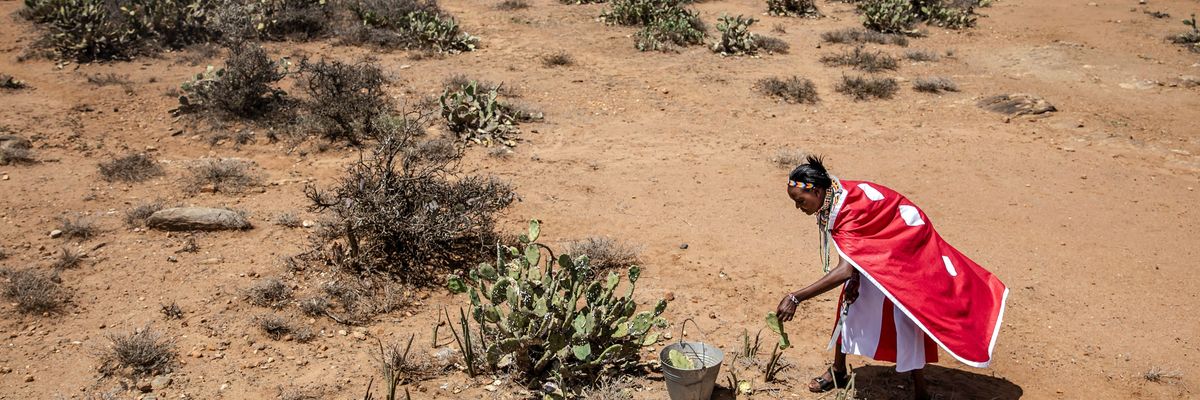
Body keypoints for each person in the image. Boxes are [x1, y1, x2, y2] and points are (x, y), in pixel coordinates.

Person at [775, 156, 1009, 400]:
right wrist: (855, 277)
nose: (798, 207)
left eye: (801, 201)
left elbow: (844, 269)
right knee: (850, 300)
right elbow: (856, 253)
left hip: (906, 249)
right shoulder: (833, 198)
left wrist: (795, 297)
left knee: (906, 312)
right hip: (884, 246)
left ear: (819, 190)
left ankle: (921, 391)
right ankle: (838, 371)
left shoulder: (847, 211)